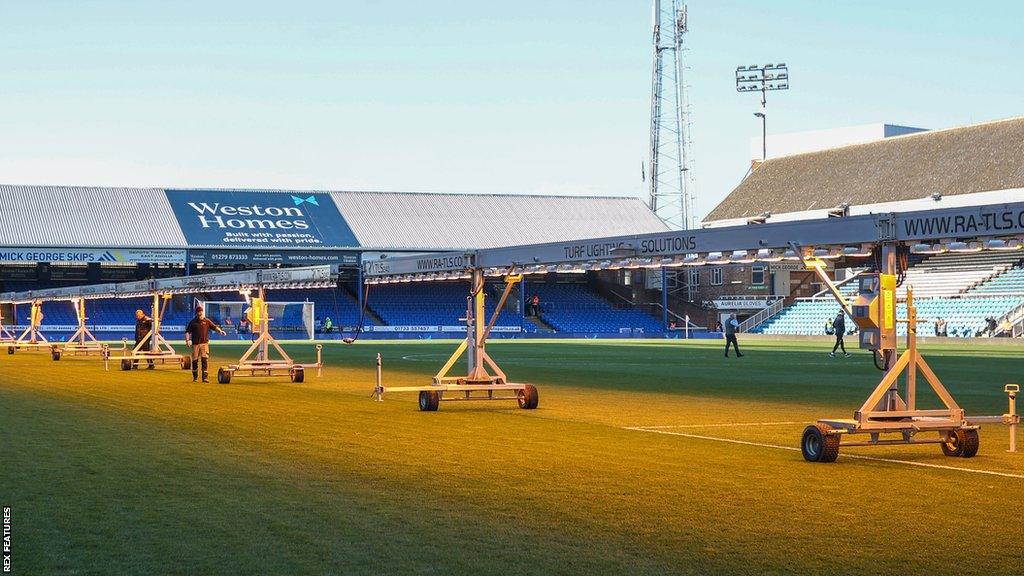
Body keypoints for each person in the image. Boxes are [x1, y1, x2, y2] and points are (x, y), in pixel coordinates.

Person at [185, 305, 226, 383]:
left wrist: (220, 331)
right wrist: (187, 340)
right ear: (196, 313)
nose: (200, 313)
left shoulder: (207, 321)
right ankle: (195, 377)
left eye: (201, 311)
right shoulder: (193, 322)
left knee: (204, 360)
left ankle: (205, 378)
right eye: (198, 312)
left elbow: (214, 327)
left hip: (204, 344)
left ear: (202, 312)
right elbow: (187, 332)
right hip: (196, 344)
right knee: (194, 361)